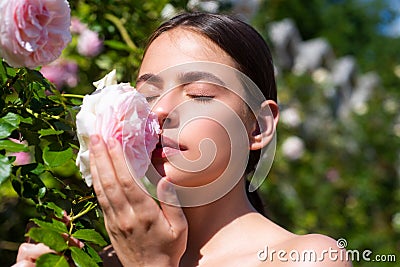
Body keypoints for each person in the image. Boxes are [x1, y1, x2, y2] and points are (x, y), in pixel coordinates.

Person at [13, 12, 352, 267]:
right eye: (146, 96)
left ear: (258, 126)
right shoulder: (90, 258)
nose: (159, 111)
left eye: (199, 94)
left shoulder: (304, 258)